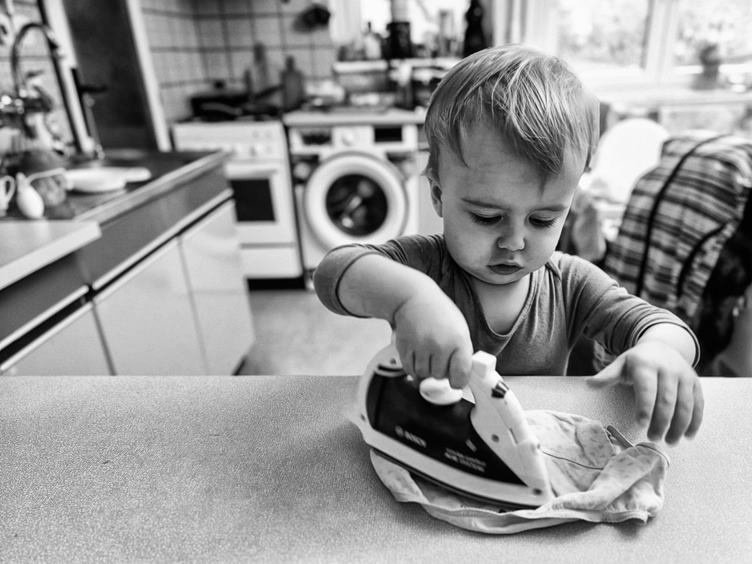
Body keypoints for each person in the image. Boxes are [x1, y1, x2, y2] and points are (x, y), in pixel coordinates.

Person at [313, 45, 703, 445]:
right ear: (438, 195)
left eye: (542, 220)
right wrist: (410, 299)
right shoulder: (423, 266)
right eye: (487, 217)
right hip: (427, 444)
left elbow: (664, 327)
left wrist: (662, 351)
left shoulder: (572, 285)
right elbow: (332, 272)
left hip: (529, 456)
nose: (514, 241)